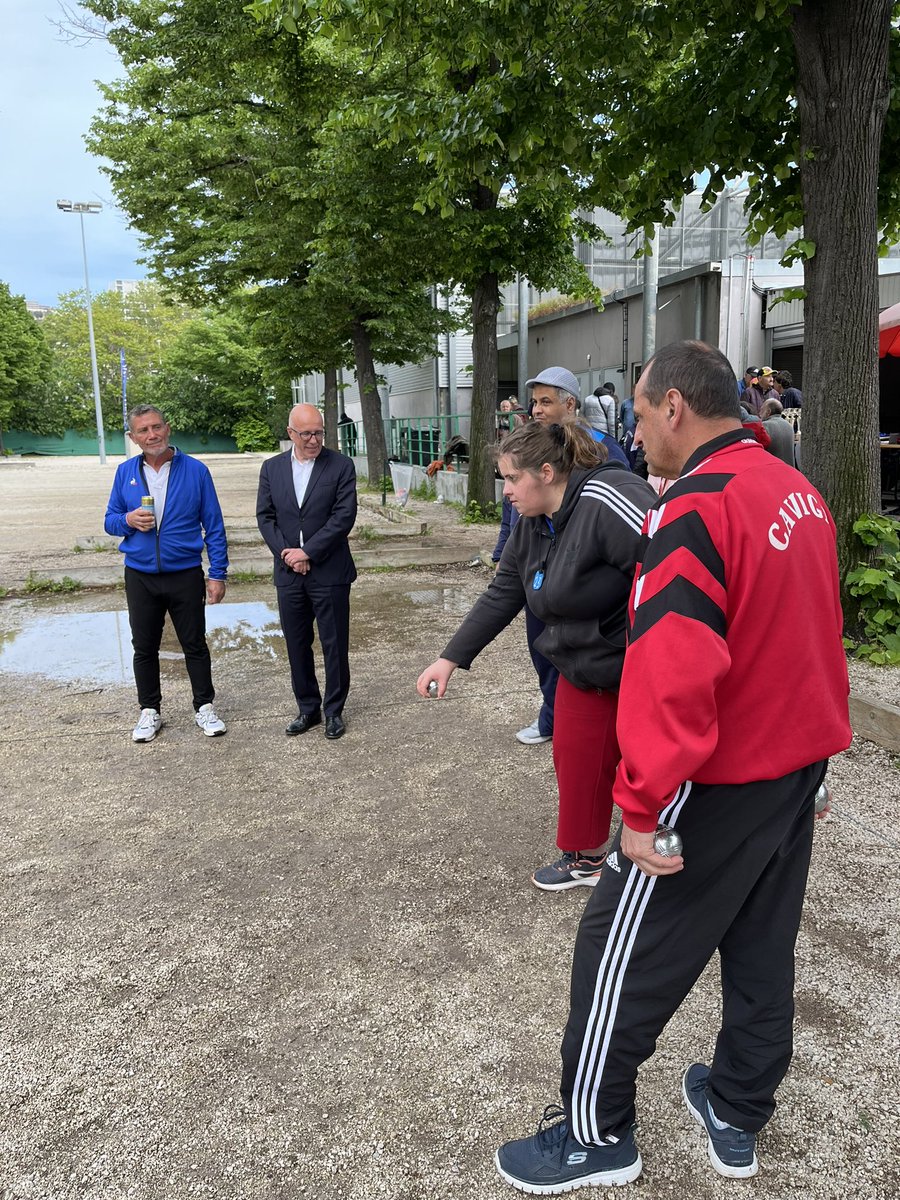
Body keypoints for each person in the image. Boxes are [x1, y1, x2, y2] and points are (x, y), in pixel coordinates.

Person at [495, 340, 851, 1191]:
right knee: (762, 947)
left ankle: (594, 1135)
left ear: (674, 408)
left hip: (717, 780)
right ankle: (737, 1106)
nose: (641, 430)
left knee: (616, 949)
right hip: (791, 770)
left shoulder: (696, 504)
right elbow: (810, 636)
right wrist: (820, 763)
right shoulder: (797, 491)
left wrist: (645, 806)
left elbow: (670, 668)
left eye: (646, 412)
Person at [417, 419, 655, 890]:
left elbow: (672, 562)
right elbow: (504, 592)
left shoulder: (608, 498)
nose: (506, 490)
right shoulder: (531, 522)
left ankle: (660, 848)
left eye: (511, 478)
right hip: (579, 663)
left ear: (546, 472)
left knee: (652, 766)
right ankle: (587, 859)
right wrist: (449, 659)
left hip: (637, 666)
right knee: (576, 757)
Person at [104, 404, 229, 743]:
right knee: (143, 647)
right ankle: (149, 711)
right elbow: (110, 521)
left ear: (168, 428)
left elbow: (214, 527)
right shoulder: (125, 472)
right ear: (133, 437)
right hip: (140, 575)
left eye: (156, 427)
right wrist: (128, 520)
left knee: (195, 644)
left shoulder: (196, 471)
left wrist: (217, 574)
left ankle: (204, 707)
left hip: (185, 573)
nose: (151, 435)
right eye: (143, 430)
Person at [256, 403, 357, 741]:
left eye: (319, 432)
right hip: (289, 574)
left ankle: (334, 712)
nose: (314, 440)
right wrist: (288, 555)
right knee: (297, 644)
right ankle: (308, 709)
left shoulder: (341, 466)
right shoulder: (272, 469)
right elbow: (265, 517)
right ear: (291, 434)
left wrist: (308, 551)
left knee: (334, 644)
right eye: (306, 434)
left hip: (329, 571)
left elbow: (343, 517)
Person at [491, 494, 558, 745]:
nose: (507, 488)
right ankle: (550, 714)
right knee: (538, 646)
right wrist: (500, 554)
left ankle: (553, 716)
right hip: (533, 572)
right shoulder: (520, 501)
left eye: (513, 477)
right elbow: (509, 521)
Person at [525, 366, 630, 467]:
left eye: (545, 402)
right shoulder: (531, 445)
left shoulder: (603, 446)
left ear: (570, 404)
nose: (536, 410)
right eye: (534, 402)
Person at [760, 397, 796, 465]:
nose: (759, 413)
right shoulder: (788, 425)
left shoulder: (765, 426)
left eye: (761, 409)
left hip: (773, 469)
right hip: (789, 469)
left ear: (768, 412)